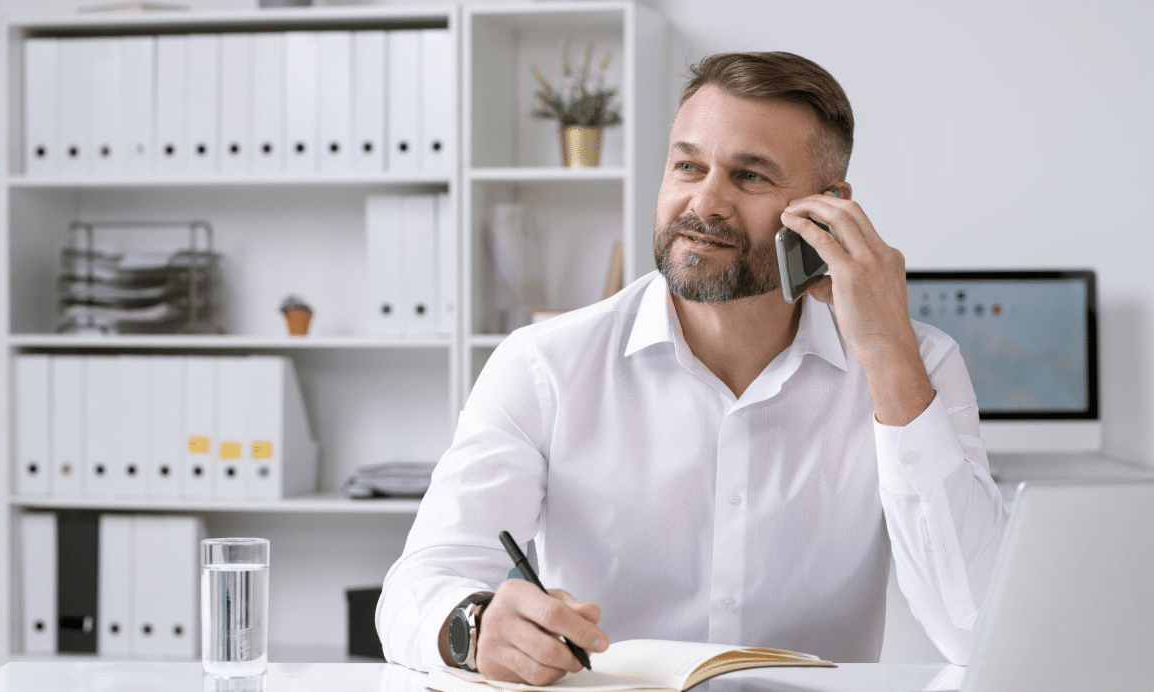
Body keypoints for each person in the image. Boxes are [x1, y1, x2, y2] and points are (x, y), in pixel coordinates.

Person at [376, 51, 1006, 685]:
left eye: (750, 176)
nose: (704, 202)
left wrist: (888, 357)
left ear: (826, 209)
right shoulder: (545, 364)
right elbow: (419, 584)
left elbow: (975, 625)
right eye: (687, 165)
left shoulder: (917, 362)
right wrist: (475, 627)